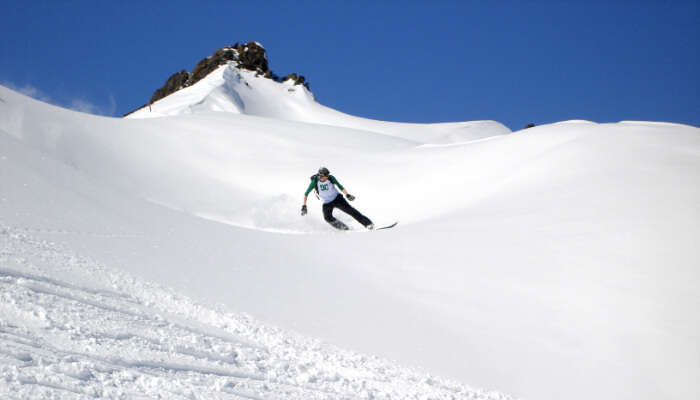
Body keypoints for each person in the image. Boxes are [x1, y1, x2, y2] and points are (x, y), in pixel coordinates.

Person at [301, 167, 374, 230]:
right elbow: (306, 194)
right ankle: (344, 228)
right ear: (321, 176)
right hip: (327, 203)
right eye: (326, 175)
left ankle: (368, 224)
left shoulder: (330, 178)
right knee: (327, 218)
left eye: (328, 175)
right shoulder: (315, 182)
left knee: (351, 211)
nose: (328, 176)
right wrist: (304, 206)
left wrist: (347, 194)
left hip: (337, 199)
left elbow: (339, 186)